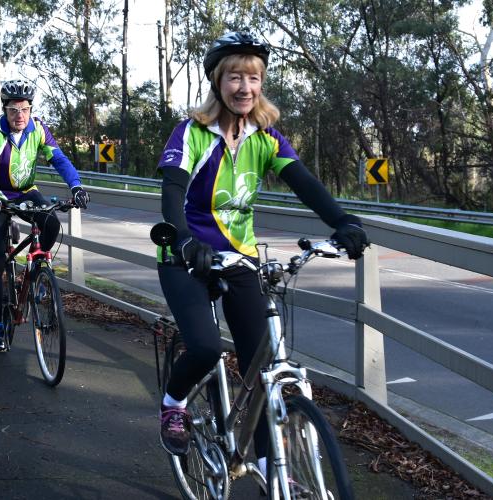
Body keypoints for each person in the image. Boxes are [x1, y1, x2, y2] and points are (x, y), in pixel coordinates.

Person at [155, 31, 370, 471]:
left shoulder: (266, 136)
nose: (245, 88)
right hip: (187, 257)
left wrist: (343, 222)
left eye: (253, 78)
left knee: (260, 362)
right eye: (235, 77)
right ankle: (173, 403)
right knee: (206, 348)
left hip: (239, 258)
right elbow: (172, 190)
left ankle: (273, 467)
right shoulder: (193, 133)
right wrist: (182, 239)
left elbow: (305, 183)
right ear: (218, 81)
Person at [0, 78, 90, 352]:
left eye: (24, 109)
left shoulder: (38, 128)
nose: (19, 115)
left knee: (51, 224)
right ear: (5, 110)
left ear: (30, 108)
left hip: (27, 191)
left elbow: (59, 158)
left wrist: (76, 186)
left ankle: (38, 271)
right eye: (14, 110)